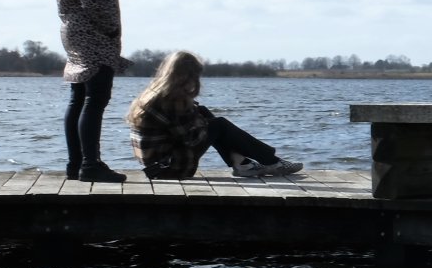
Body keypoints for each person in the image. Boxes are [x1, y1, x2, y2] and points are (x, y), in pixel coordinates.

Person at [125, 51, 303, 179]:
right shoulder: (171, 100)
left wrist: (198, 116)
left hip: (155, 168)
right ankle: (270, 161)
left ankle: (243, 164)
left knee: (205, 115)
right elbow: (191, 140)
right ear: (187, 76)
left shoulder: (152, 93)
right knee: (219, 125)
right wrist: (204, 123)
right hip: (171, 169)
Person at [52, 0, 131, 182]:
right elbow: (92, 0)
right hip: (93, 34)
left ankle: (76, 164)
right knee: (95, 99)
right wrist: (110, 28)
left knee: (79, 98)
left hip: (72, 30)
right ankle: (90, 165)